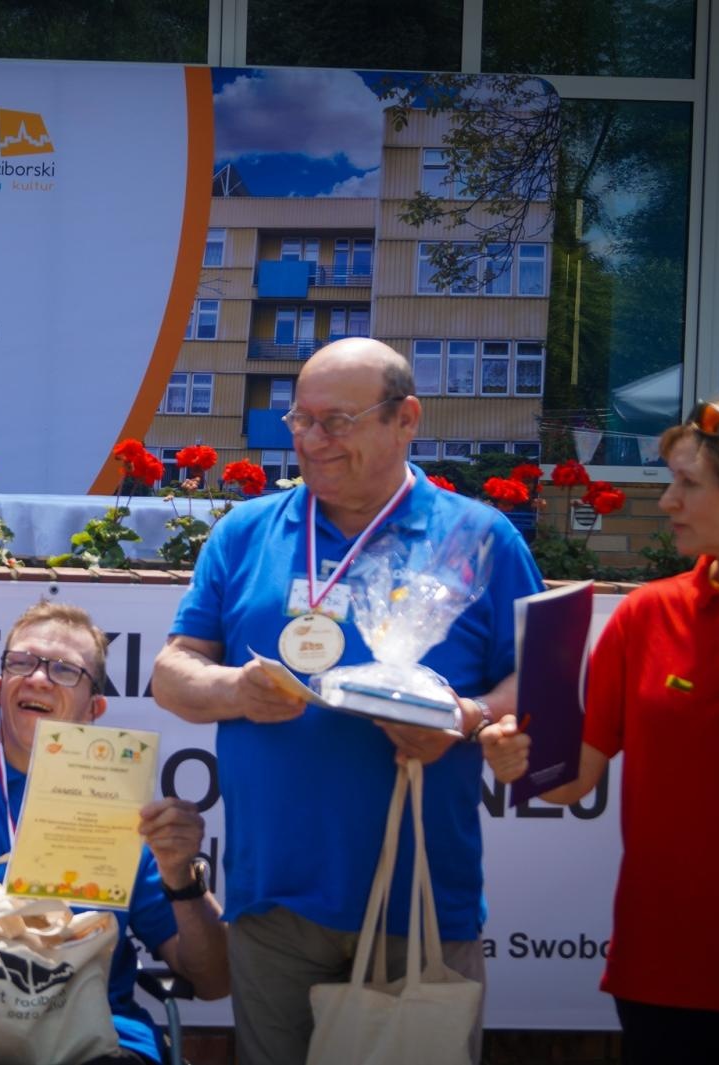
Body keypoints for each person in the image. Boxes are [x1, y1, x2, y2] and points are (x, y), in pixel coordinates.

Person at [150, 337, 543, 1065]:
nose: (313, 441)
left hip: (419, 899)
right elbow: (172, 673)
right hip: (270, 902)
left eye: (338, 421)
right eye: (301, 421)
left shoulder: (481, 538)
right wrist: (235, 689)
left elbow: (537, 680)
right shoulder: (245, 533)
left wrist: (463, 720)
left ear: (406, 419)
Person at [483, 396, 719, 1064]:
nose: (667, 502)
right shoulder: (646, 615)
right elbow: (569, 778)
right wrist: (513, 754)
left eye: (689, 484)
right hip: (664, 971)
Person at [0, 601, 229, 1065]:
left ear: (95, 708)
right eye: (22, 663)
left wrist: (181, 875)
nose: (37, 678)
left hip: (93, 1040)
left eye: (64, 670)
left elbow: (213, 980)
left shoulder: (125, 813)